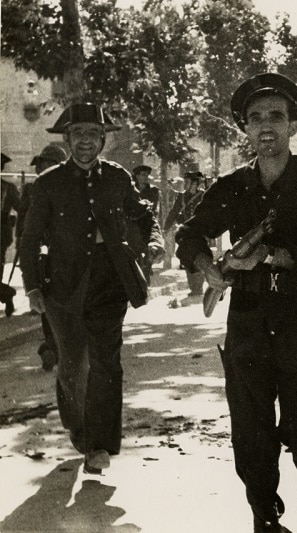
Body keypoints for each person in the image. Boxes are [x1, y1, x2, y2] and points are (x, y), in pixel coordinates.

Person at [175, 73, 297, 533]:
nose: (265, 126)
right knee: (250, 434)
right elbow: (189, 232)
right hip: (248, 322)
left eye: (276, 117)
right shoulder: (232, 186)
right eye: (255, 119)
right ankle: (264, 517)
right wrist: (206, 265)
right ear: (244, 129)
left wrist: (267, 255)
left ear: (293, 125)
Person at [19, 103, 164, 474]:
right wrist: (33, 287)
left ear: (103, 140)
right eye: (79, 134)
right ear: (67, 139)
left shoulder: (117, 177)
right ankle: (80, 431)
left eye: (93, 134)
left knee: (106, 362)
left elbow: (145, 214)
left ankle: (98, 445)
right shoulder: (48, 183)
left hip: (109, 280)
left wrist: (153, 242)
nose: (86, 141)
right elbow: (30, 238)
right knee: (72, 365)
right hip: (61, 286)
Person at [19, 144, 69, 369]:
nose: (40, 168)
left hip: (69, 256)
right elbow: (24, 226)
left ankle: (55, 347)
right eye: (39, 165)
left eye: (44, 164)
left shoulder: (73, 187)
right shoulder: (32, 189)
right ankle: (51, 346)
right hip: (44, 257)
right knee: (48, 302)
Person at [164, 167, 205, 295]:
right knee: (187, 259)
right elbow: (174, 211)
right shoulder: (182, 197)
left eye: (188, 182)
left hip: (201, 232)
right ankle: (193, 287)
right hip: (186, 232)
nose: (186, 185)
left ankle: (198, 287)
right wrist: (166, 226)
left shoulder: (204, 195)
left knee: (200, 258)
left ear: (195, 183)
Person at [128, 164, 161, 284]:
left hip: (147, 222)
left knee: (148, 250)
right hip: (133, 224)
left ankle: (146, 277)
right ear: (136, 176)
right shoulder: (130, 189)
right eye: (142, 175)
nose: (145, 177)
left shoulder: (153, 190)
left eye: (147, 175)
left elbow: (156, 208)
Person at [1, 152, 21, 316]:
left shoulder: (8, 188)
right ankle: (7, 295)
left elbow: (21, 208)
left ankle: (7, 295)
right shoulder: (9, 187)